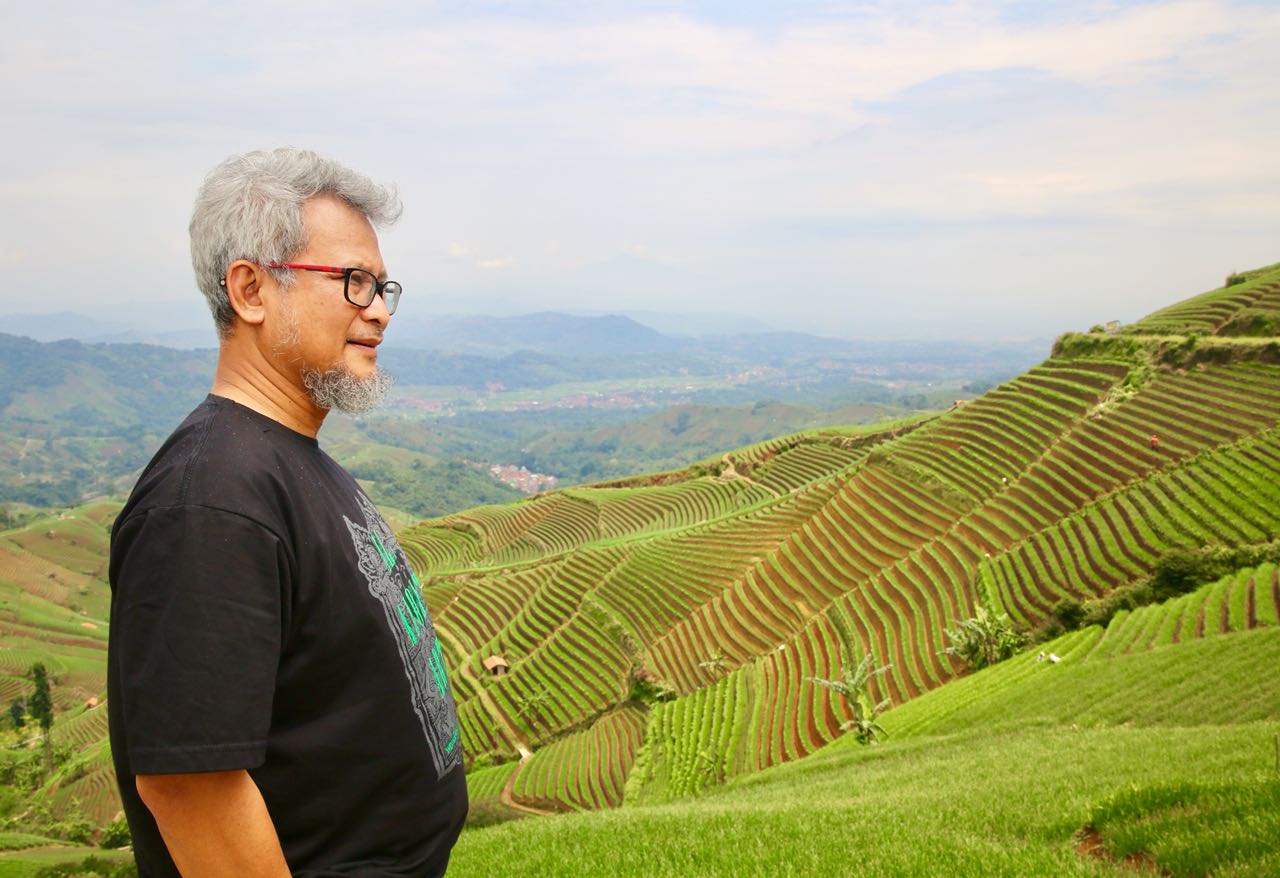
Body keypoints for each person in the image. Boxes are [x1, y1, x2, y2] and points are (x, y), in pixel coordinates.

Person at [107, 147, 467, 877]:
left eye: (383, 285)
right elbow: (190, 783)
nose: (378, 311)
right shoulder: (212, 499)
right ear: (251, 290)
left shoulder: (285, 462)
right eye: (354, 281)